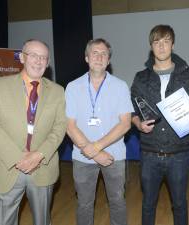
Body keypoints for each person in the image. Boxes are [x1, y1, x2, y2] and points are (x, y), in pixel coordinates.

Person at [130, 24, 189, 225]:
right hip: (149, 153)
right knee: (148, 204)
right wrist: (138, 123)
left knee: (180, 204)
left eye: (166, 41)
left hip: (179, 154)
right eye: (157, 42)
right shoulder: (141, 77)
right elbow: (131, 110)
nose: (162, 46)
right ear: (151, 46)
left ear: (173, 45)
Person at [0, 39, 67, 225]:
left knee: (42, 221)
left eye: (43, 57)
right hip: (7, 166)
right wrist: (18, 158)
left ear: (48, 62)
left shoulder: (58, 91)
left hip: (42, 166)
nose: (38, 61)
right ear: (21, 57)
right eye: (33, 55)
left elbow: (60, 127)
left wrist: (39, 154)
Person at [65, 38, 134, 225]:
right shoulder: (72, 87)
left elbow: (125, 124)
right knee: (84, 204)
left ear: (109, 60)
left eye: (104, 54)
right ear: (86, 58)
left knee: (118, 202)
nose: (99, 57)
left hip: (113, 156)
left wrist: (95, 148)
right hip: (82, 157)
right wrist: (93, 151)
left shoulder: (120, 86)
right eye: (95, 53)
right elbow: (69, 125)